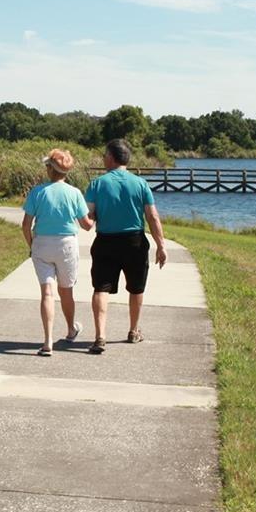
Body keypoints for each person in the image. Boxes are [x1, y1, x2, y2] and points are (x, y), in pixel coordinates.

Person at [84, 138, 167, 353]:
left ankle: (100, 336)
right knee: (136, 287)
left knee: (101, 288)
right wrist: (161, 245)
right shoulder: (140, 184)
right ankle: (133, 330)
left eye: (104, 155)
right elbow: (152, 217)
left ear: (111, 157)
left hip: (106, 241)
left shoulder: (97, 184)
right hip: (135, 242)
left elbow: (88, 218)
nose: (103, 158)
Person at [21, 149, 94, 356]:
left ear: (50, 169)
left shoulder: (37, 192)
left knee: (47, 292)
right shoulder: (74, 193)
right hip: (66, 245)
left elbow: (26, 224)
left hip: (42, 244)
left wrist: (31, 244)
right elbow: (87, 225)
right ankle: (71, 329)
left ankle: (47, 342)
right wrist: (95, 215)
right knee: (66, 290)